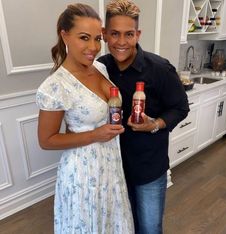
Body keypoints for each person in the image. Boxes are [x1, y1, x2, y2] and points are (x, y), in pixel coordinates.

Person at [36, 3, 134, 234]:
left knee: (111, 222)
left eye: (97, 38)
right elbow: (46, 140)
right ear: (65, 36)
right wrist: (95, 134)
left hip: (110, 164)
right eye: (84, 38)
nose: (93, 47)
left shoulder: (100, 68)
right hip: (83, 173)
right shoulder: (55, 86)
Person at [98, 0, 190, 233]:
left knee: (149, 228)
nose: (121, 42)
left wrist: (155, 124)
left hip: (148, 166)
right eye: (115, 34)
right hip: (113, 166)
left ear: (138, 34)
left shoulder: (160, 69)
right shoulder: (99, 68)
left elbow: (180, 108)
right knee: (123, 226)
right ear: (104, 34)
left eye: (129, 34)